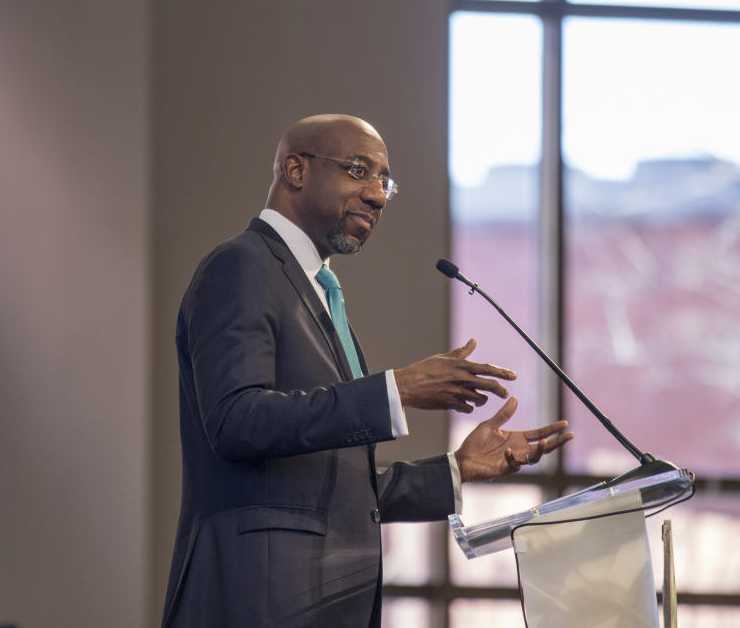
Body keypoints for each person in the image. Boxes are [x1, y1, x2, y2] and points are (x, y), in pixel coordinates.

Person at [160, 114, 574, 628]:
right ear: (295, 169)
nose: (377, 196)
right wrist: (395, 391)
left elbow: (329, 486)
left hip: (324, 603)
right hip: (260, 596)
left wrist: (456, 469)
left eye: (384, 181)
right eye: (359, 171)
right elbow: (234, 421)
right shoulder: (241, 267)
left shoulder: (318, 292)